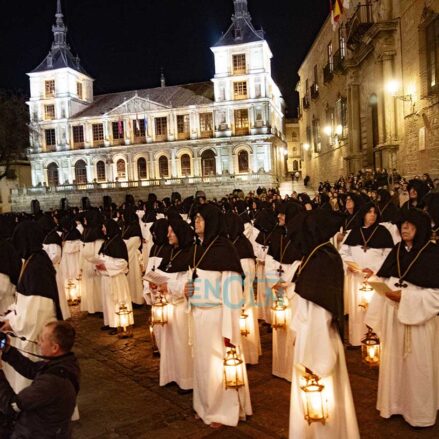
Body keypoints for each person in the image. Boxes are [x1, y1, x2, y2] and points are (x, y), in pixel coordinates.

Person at [287, 209, 360, 438]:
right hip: (308, 337)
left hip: (319, 342)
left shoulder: (323, 260)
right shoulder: (315, 255)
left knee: (322, 399)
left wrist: (315, 360)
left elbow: (321, 313)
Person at [365, 209, 439, 427]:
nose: (404, 228)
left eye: (409, 224)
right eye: (402, 224)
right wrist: (378, 284)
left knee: (418, 366)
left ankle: (419, 413)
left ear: (421, 227)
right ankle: (394, 405)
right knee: (394, 362)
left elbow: (436, 295)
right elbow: (384, 278)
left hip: (419, 320)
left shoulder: (433, 253)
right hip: (393, 316)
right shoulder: (397, 250)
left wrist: (406, 298)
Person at [186, 204, 252, 428]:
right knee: (203, 366)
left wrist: (229, 331)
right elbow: (193, 279)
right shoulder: (198, 248)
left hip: (217, 319)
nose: (196, 222)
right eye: (195, 218)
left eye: (200, 218)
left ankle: (223, 411)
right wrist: (187, 290)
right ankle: (204, 406)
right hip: (199, 316)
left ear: (212, 221)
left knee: (217, 365)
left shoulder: (225, 250)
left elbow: (233, 295)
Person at [2, 220, 61, 393]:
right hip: (31, 330)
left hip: (38, 336)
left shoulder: (37, 266)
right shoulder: (33, 261)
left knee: (34, 382)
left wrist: (14, 323)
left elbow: (38, 310)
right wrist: (11, 316)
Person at [0, 321, 80, 439]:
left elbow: (11, 406)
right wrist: (8, 350)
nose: (38, 343)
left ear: (55, 348)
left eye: (41, 340)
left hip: (35, 433)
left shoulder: (51, 383)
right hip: (50, 429)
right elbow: (31, 369)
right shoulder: (66, 363)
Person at [339, 203, 398, 346]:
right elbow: (343, 252)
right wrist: (349, 265)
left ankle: (375, 340)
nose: (372, 215)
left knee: (374, 309)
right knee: (357, 309)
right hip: (356, 277)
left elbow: (389, 255)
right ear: (363, 214)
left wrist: (375, 269)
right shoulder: (354, 232)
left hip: (375, 277)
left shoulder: (383, 232)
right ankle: (356, 340)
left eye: (374, 212)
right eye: (369, 212)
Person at [155, 219, 194, 391]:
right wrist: (155, 284)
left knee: (182, 346)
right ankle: (171, 375)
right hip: (169, 305)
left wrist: (168, 286)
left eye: (172, 232)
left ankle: (186, 380)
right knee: (169, 345)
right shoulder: (169, 251)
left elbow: (188, 285)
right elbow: (161, 273)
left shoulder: (191, 253)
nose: (168, 235)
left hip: (182, 308)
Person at [225, 212, 261, 365]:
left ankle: (248, 356)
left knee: (245, 322)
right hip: (238, 294)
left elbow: (248, 273)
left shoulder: (242, 246)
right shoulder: (234, 243)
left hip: (242, 295)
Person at [96, 219, 134, 335]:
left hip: (116, 278)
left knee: (117, 301)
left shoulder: (118, 243)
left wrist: (106, 266)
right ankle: (110, 322)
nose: (102, 229)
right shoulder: (107, 242)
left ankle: (119, 323)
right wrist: (98, 264)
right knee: (107, 301)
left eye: (104, 227)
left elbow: (122, 263)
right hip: (106, 278)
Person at [79, 209, 104, 315]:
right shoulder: (86, 231)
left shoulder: (97, 232)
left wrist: (94, 262)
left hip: (94, 263)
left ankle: (100, 308)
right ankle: (91, 308)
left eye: (86, 218)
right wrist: (81, 264)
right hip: (86, 262)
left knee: (98, 287)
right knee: (89, 286)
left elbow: (99, 250)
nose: (84, 220)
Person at [122, 207, 144, 306]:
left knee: (134, 279)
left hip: (132, 257)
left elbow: (133, 244)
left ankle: (136, 300)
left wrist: (122, 245)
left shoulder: (134, 227)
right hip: (126, 256)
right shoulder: (126, 226)